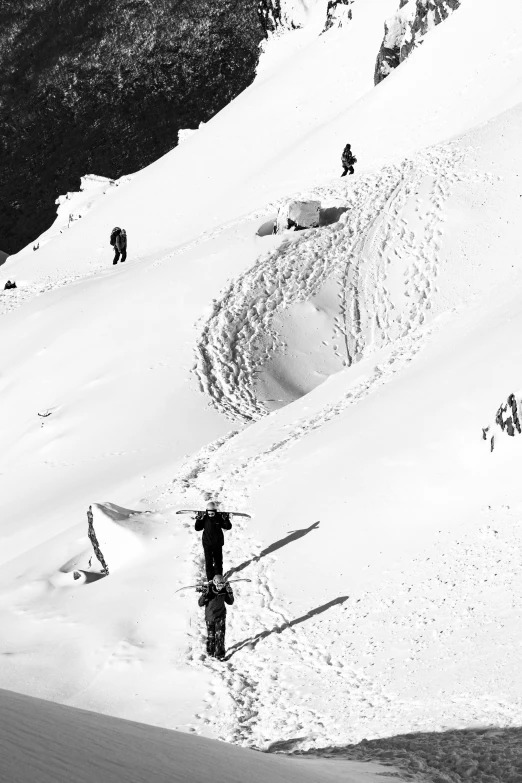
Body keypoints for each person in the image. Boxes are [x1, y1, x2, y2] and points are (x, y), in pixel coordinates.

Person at [198, 574, 234, 659]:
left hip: (220, 616)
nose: (220, 587)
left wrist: (230, 593)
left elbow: (230, 602)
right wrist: (204, 595)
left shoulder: (224, 591)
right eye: (218, 585)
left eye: (222, 585)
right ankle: (210, 652)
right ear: (214, 583)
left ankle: (220, 654)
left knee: (220, 636)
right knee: (211, 637)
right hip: (210, 617)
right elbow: (200, 603)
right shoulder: (209, 591)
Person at [195, 501, 232, 581]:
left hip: (217, 544)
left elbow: (228, 527)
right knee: (208, 563)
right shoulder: (204, 518)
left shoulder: (219, 518)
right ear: (207, 512)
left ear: (215, 512)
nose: (211, 515)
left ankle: (219, 580)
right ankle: (210, 580)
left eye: (212, 513)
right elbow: (197, 528)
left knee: (218, 562)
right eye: (209, 513)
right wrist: (198, 520)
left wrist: (226, 519)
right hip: (207, 544)